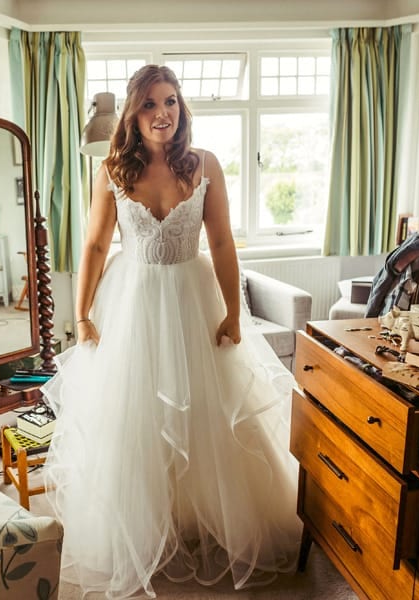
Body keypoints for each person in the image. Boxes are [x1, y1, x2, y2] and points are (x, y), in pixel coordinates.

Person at [41, 64, 302, 598]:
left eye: (171, 102)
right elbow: (93, 246)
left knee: (206, 416)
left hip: (193, 303)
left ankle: (204, 521)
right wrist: (83, 314)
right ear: (133, 115)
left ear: (182, 107)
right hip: (131, 305)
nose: (162, 114)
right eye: (150, 105)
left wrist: (234, 311)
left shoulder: (204, 165)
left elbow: (224, 244)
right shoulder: (113, 170)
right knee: (135, 420)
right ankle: (144, 529)